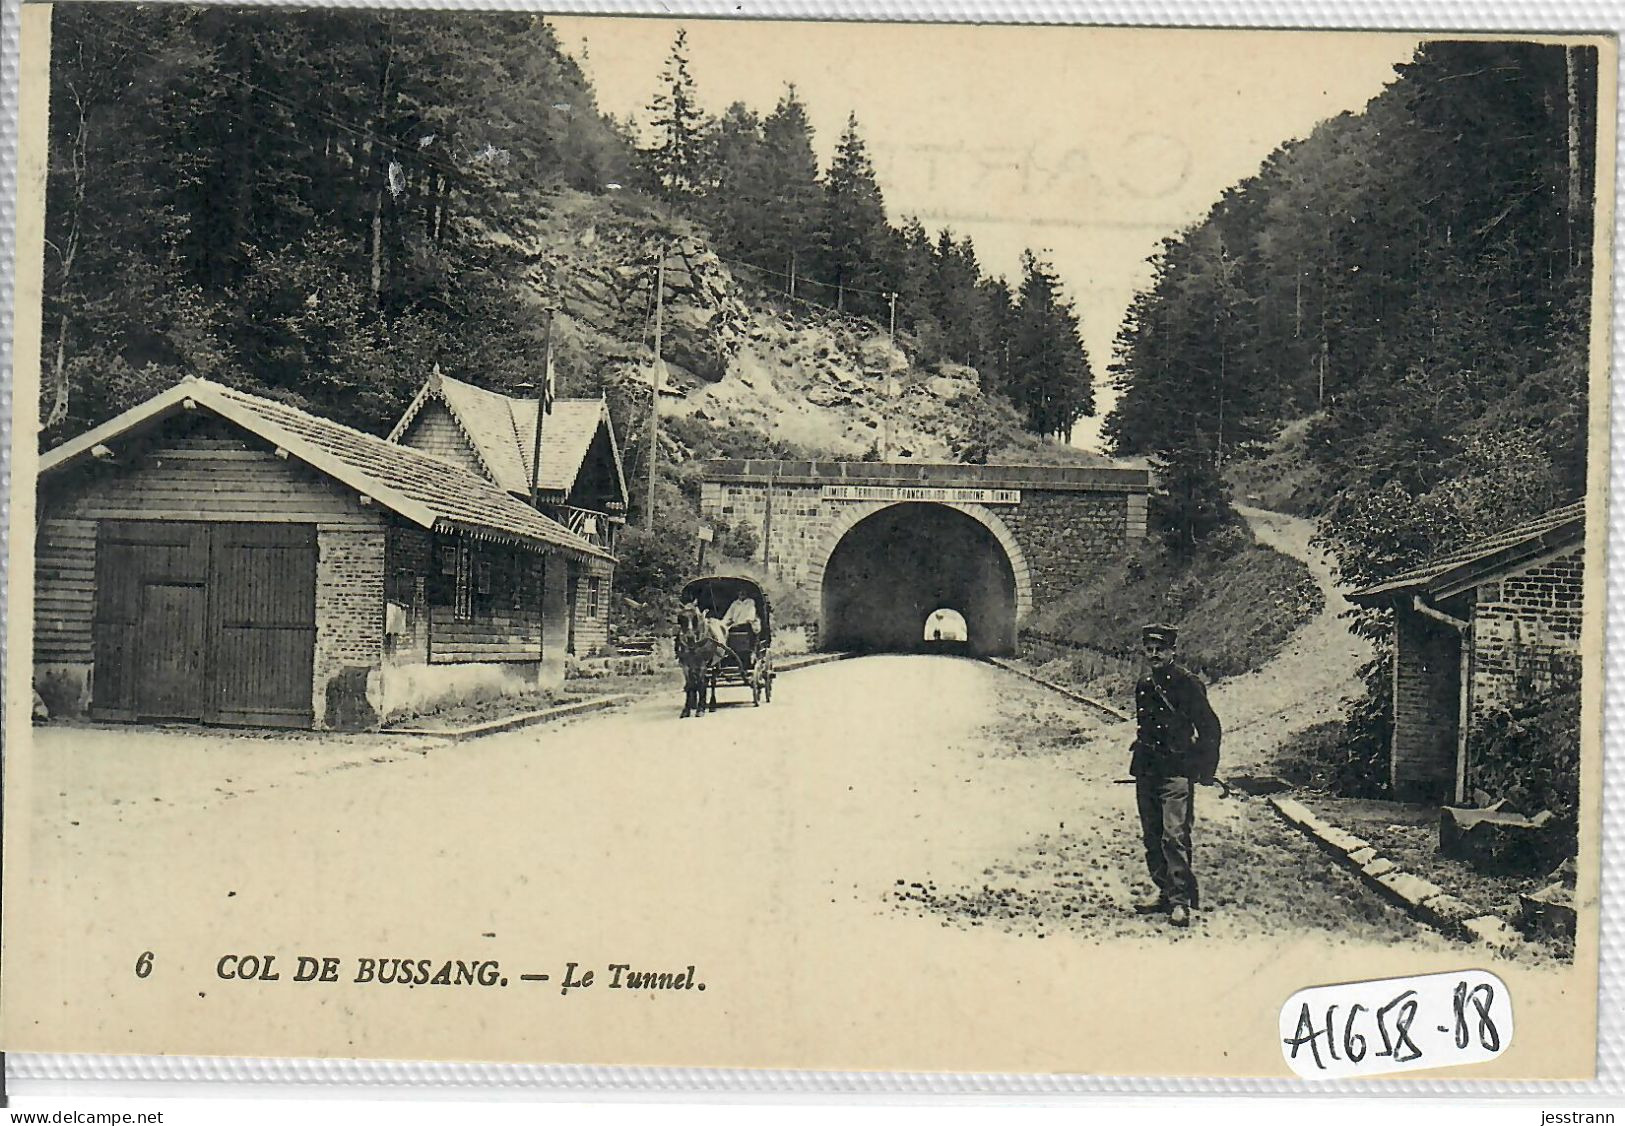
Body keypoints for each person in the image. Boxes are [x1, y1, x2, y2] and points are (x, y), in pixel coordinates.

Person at [1129, 623, 1221, 928]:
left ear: (1173, 651)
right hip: (1147, 770)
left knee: (1174, 835)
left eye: (1161, 649)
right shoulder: (1144, 684)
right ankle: (1165, 893)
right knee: (1152, 835)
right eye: (1150, 649)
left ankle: (1181, 902)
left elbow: (1209, 727)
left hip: (1176, 772)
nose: (1154, 654)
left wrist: (1205, 770)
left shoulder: (1186, 684)